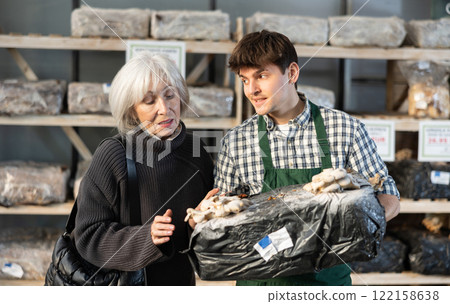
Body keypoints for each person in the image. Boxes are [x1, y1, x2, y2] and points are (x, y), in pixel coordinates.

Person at [214, 30, 400, 286]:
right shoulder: (236, 141)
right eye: (244, 80)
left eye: (262, 76)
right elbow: (224, 218)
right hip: (259, 285)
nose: (252, 90)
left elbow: (388, 196)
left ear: (291, 73)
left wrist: (348, 228)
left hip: (326, 283)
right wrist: (210, 214)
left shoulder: (345, 129)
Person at [73, 52, 215, 285]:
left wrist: (201, 219)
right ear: (131, 111)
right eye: (149, 101)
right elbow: (88, 236)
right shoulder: (114, 154)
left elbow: (201, 231)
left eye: (170, 95)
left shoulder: (195, 149)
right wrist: (146, 238)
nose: (164, 108)